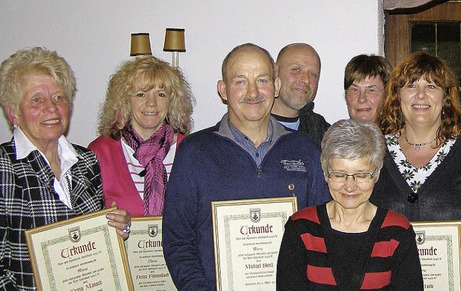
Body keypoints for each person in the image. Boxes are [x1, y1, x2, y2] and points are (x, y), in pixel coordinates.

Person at [162, 43, 330, 289]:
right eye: (240, 81)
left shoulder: (307, 151)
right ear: (223, 90)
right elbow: (178, 240)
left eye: (262, 80)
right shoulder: (194, 152)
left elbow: (324, 233)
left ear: (276, 87)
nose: (253, 92)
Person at [371, 52, 461, 290]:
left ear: (445, 96)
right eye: (411, 85)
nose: (421, 95)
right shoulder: (373, 151)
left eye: (432, 86)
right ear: (397, 95)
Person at [0, 47, 131, 289]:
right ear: (13, 114)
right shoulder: (4, 168)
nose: (51, 108)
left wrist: (117, 228)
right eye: (36, 100)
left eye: (59, 97)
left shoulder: (87, 160)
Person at [277, 119, 423, 290]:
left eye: (361, 175)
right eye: (339, 175)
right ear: (325, 173)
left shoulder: (397, 231)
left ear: (376, 174)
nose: (350, 186)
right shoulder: (301, 229)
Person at [88, 56, 194, 217]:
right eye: (140, 94)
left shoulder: (190, 151)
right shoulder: (100, 152)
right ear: (125, 101)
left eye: (160, 94)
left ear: (172, 101)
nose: (151, 103)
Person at [271, 43, 330, 145]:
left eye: (313, 74)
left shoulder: (324, 134)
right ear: (275, 72)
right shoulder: (246, 126)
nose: (306, 80)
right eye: (296, 70)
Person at [344, 54, 393, 123]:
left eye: (371, 90)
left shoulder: (402, 133)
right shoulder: (334, 133)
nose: (361, 99)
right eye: (355, 90)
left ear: (387, 96)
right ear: (346, 96)